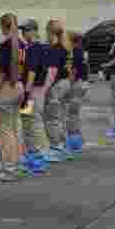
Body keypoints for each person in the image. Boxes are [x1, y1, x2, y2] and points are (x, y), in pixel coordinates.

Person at [0, 13, 27, 182]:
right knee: (16, 128)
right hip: (19, 87)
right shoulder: (23, 44)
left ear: (3, 26)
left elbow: (0, 74)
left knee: (6, 131)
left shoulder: (6, 45)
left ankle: (9, 168)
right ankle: (17, 164)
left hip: (7, 89)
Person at [18, 18, 49, 174]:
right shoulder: (43, 47)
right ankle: (34, 155)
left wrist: (26, 92)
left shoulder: (33, 48)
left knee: (30, 123)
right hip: (38, 90)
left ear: (33, 31)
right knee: (31, 122)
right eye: (22, 31)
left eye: (25, 30)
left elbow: (31, 71)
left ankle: (35, 158)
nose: (23, 33)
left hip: (31, 91)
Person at [41, 19, 72, 162]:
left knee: (51, 118)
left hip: (57, 85)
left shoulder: (54, 49)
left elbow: (52, 72)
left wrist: (44, 89)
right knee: (59, 118)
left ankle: (56, 148)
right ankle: (63, 147)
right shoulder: (65, 47)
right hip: (65, 84)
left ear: (49, 32)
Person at [65, 30, 89, 156]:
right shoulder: (82, 50)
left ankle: (74, 141)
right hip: (83, 82)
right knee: (75, 112)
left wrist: (68, 84)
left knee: (72, 113)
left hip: (77, 84)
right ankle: (77, 138)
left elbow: (73, 71)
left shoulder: (76, 51)